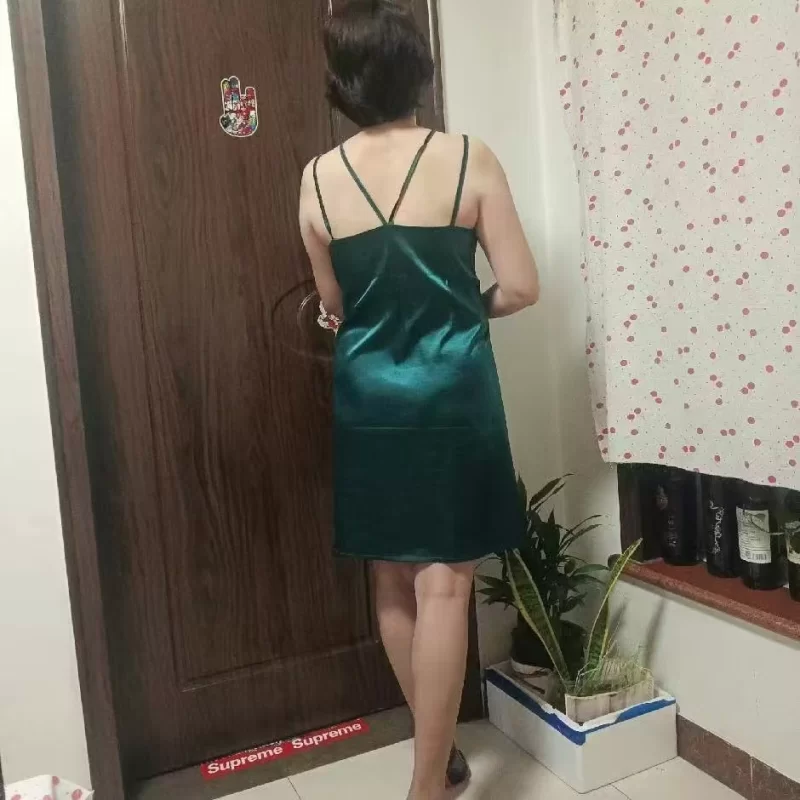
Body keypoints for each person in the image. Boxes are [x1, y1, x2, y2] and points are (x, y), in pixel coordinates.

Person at [298, 2, 539, 798]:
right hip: (452, 390)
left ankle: (437, 764)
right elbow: (522, 287)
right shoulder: (469, 158)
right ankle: (426, 781)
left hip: (370, 396)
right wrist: (463, 310)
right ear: (419, 74)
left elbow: (335, 305)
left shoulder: (316, 180)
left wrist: (360, 312)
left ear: (342, 85)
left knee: (392, 579)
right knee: (446, 584)